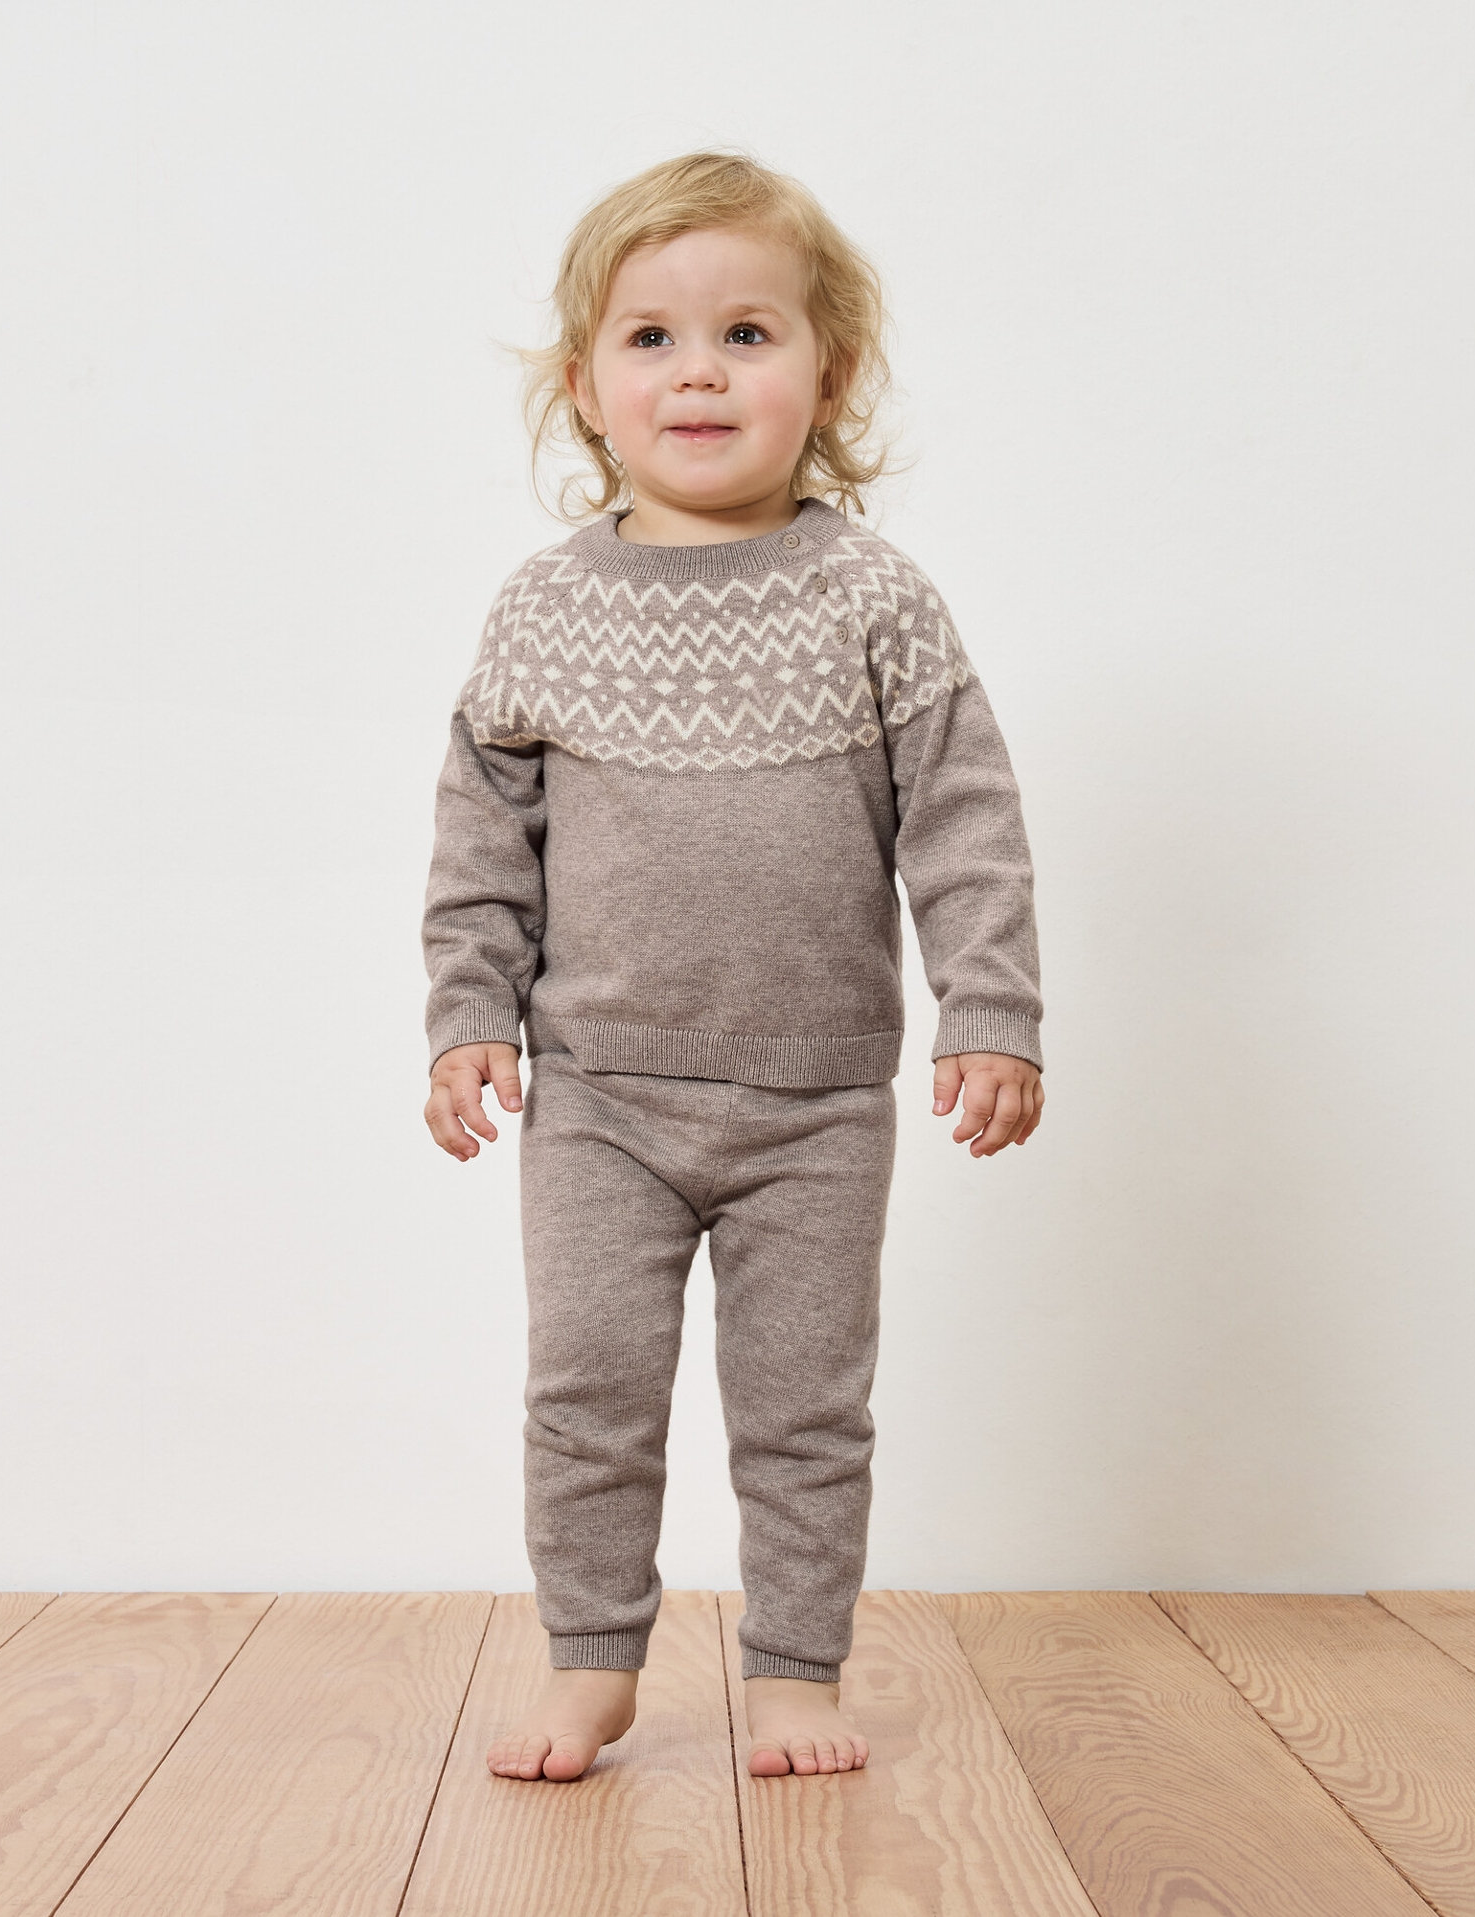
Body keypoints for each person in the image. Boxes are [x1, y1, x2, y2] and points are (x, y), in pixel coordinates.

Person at [420, 150, 1045, 1783]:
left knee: (802, 1409)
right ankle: (589, 1659)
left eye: (747, 334)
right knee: (586, 1392)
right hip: (601, 1099)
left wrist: (990, 1006)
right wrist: (467, 1011)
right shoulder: (545, 609)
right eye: (652, 338)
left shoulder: (870, 596)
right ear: (585, 387)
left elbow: (963, 817)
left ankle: (792, 1672)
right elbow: (483, 837)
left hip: (814, 1107)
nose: (697, 371)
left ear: (825, 375)